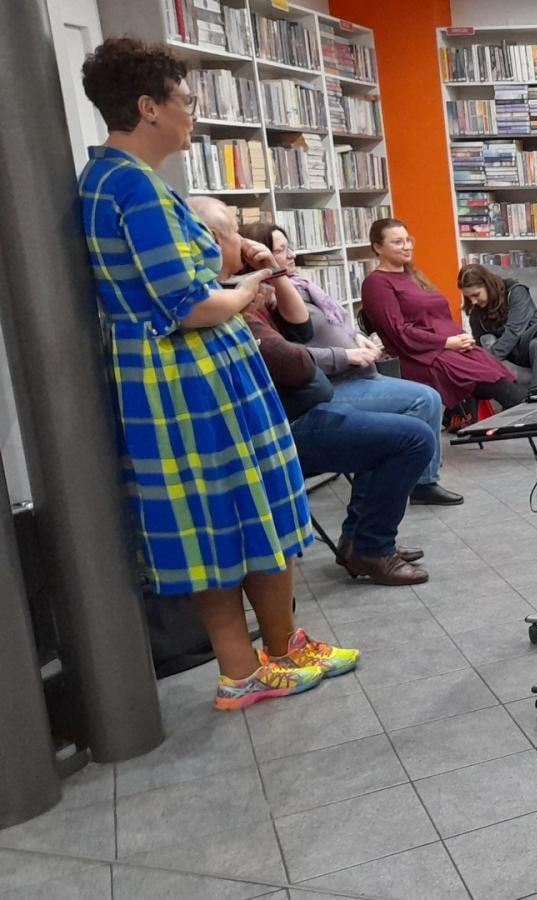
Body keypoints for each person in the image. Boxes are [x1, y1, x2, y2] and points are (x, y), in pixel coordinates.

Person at [77, 38, 355, 711]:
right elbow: (190, 306)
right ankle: (251, 665)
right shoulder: (134, 187)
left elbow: (175, 284)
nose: (192, 114)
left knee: (224, 516)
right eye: (185, 101)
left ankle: (269, 656)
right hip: (193, 376)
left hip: (179, 374)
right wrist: (251, 283)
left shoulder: (113, 181)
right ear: (148, 107)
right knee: (236, 511)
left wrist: (233, 268)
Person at [207, 206, 431, 586]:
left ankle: (360, 540)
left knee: (397, 429)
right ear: (213, 242)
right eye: (234, 235)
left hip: (302, 408)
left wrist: (271, 273)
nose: (243, 243)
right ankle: (372, 549)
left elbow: (302, 329)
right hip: (281, 427)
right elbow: (293, 362)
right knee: (412, 437)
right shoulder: (228, 302)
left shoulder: (249, 292)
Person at [238, 221, 462, 507]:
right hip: (335, 385)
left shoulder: (303, 286)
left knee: (429, 395)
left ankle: (416, 480)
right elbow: (294, 351)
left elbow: (336, 321)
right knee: (424, 399)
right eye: (280, 251)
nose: (291, 255)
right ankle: (418, 483)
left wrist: (359, 337)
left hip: (361, 374)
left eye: (288, 247)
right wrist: (347, 355)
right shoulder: (269, 299)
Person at [360, 219, 527, 420]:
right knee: (494, 382)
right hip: (419, 356)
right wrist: (446, 343)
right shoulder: (376, 283)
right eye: (397, 242)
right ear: (378, 247)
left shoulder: (413, 275)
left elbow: (439, 317)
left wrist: (461, 339)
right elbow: (398, 332)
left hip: (449, 347)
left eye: (408, 240)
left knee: (498, 373)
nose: (407, 246)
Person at [456, 263, 537, 389]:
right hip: (514, 354)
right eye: (468, 297)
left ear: (488, 285)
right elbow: (481, 346)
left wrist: (491, 357)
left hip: (534, 345)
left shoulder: (515, 291)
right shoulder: (476, 314)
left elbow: (515, 330)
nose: (473, 301)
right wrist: (485, 360)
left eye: (476, 295)